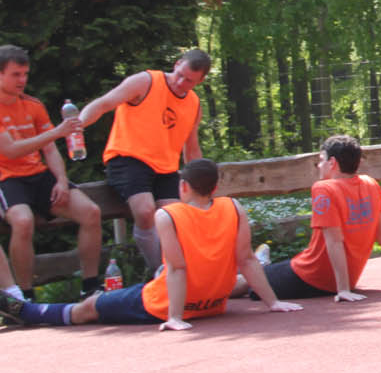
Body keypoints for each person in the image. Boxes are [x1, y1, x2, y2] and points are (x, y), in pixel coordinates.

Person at [0, 160, 302, 331]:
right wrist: (273, 302)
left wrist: (174, 317)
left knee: (90, 307)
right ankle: (29, 310)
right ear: (215, 187)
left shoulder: (168, 214)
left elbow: (178, 268)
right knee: (176, 276)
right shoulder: (233, 207)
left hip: (164, 303)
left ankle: (30, 312)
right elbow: (246, 259)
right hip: (212, 302)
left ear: (183, 186)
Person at [252, 134, 381, 300]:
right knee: (273, 271)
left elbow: (334, 241)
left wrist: (342, 289)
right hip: (337, 276)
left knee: (250, 281)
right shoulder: (371, 184)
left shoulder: (324, 189)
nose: (319, 165)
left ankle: (257, 265)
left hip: (311, 276)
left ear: (332, 162)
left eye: (321, 160)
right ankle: (260, 265)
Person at [78, 49, 210, 270]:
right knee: (145, 211)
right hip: (128, 158)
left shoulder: (194, 104)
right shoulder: (146, 81)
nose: (180, 82)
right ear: (177, 64)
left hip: (166, 169)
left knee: (175, 217)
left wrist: (199, 183)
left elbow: (192, 147)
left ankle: (179, 270)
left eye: (189, 81)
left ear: (200, 81)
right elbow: (103, 103)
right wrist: (78, 125)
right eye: (180, 75)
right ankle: (160, 270)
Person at [0, 46, 102, 298]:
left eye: (25, 74)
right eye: (15, 74)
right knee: (23, 222)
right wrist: (57, 132)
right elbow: (11, 150)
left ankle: (90, 287)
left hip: (38, 174)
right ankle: (25, 296)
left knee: (91, 212)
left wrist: (61, 180)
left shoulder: (33, 105)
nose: (22, 80)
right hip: (6, 177)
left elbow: (50, 149)